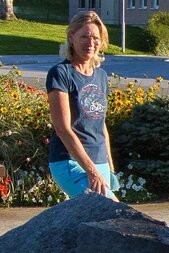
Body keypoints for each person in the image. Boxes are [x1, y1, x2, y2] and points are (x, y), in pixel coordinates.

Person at [47, 11, 117, 200]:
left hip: (99, 159)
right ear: (71, 37)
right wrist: (91, 171)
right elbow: (63, 129)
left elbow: (100, 123)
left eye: (95, 38)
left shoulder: (101, 75)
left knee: (96, 224)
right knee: (114, 212)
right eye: (84, 36)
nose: (91, 42)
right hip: (70, 161)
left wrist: (109, 164)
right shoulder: (60, 73)